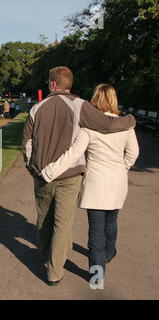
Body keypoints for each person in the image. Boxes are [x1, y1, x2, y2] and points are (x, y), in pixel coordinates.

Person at [22, 66, 136, 286]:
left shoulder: (37, 108)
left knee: (44, 220)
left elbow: (27, 143)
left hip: (43, 175)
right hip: (72, 176)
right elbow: (108, 124)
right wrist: (130, 121)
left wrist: (33, 168)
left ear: (53, 84)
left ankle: (47, 257)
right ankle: (59, 272)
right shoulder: (80, 106)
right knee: (63, 224)